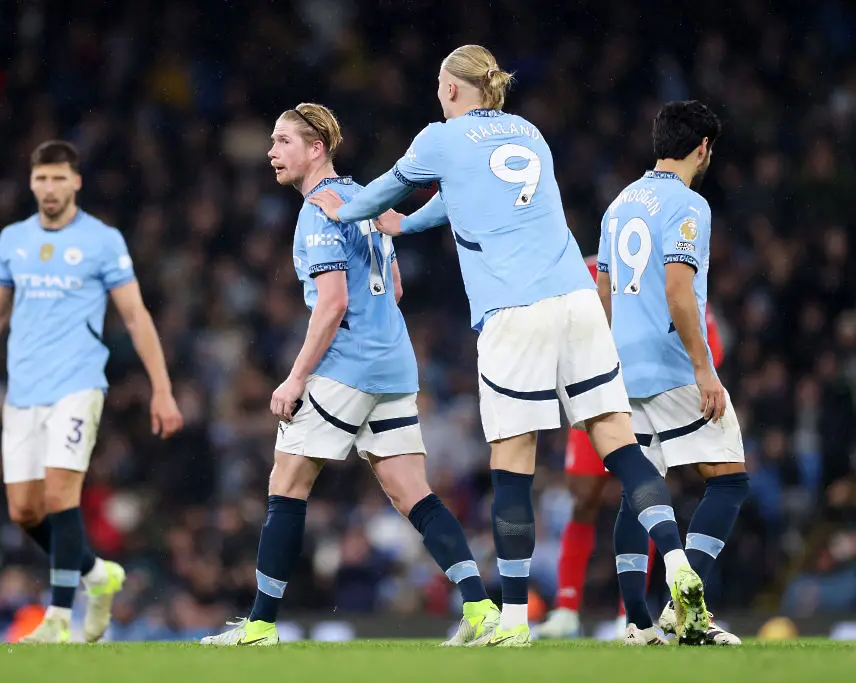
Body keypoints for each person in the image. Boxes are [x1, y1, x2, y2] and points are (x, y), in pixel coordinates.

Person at [309, 45, 709, 647]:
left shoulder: (439, 138)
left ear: (450, 88)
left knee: (513, 463)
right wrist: (409, 225)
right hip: (578, 300)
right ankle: (677, 564)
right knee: (620, 444)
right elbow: (463, 196)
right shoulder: (528, 131)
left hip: (513, 311)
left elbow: (378, 194)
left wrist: (341, 210)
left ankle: (516, 619)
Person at [201, 103, 498, 647]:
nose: (271, 151)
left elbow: (333, 302)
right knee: (412, 493)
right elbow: (396, 287)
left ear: (316, 148)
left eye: (283, 141)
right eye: (272, 141)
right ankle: (481, 608)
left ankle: (260, 624)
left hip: (348, 367)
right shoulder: (366, 198)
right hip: (395, 364)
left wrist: (295, 378)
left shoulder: (320, 210)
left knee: (286, 484)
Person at [0, 140, 184, 644]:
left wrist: (161, 389)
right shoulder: (13, 239)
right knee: (24, 511)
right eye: (42, 179)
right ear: (32, 183)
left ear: (76, 182)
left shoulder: (102, 240)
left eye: (59, 178)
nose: (50, 188)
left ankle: (57, 619)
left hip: (77, 384)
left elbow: (135, 315)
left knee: (59, 496)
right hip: (23, 389)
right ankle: (97, 574)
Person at [597, 100, 748, 646]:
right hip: (670, 363)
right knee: (729, 479)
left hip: (623, 366)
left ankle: (637, 622)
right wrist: (704, 369)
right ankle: (682, 610)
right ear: (703, 148)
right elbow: (679, 291)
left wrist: (606, 364)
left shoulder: (618, 204)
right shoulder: (688, 204)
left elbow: (604, 292)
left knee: (639, 492)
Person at [536, 255, 726, 641]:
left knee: (641, 499)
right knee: (583, 500)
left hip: (644, 402)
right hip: (594, 398)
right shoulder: (583, 270)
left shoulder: (669, 274)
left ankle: (631, 613)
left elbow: (711, 344)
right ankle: (567, 609)